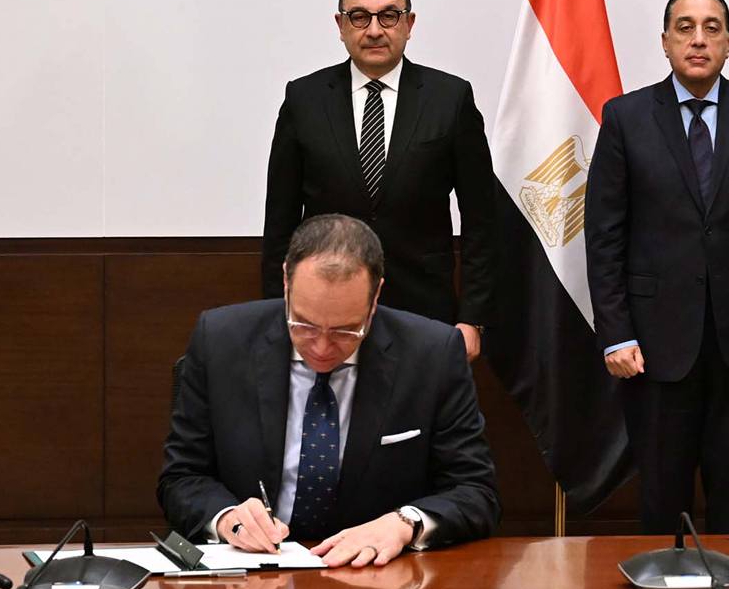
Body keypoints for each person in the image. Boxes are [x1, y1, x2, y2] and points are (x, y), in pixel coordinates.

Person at [584, 0, 729, 534]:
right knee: (663, 496)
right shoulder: (626, 117)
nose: (699, 39)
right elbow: (604, 236)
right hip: (654, 344)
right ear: (665, 42)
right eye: (685, 27)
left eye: (712, 28)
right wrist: (616, 333)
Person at [159, 213, 500, 566]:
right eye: (304, 325)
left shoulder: (433, 354)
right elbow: (182, 477)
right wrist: (227, 518)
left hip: (377, 571)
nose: (321, 348)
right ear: (286, 282)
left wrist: (403, 523)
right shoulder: (220, 340)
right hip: (253, 571)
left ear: (375, 297)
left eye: (345, 331)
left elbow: (476, 491)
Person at [262, 0, 498, 362]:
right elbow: (279, 223)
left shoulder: (450, 98)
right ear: (341, 25)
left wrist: (473, 319)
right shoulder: (304, 99)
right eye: (359, 17)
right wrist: (279, 315)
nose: (374, 30)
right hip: (327, 315)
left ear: (409, 23)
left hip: (425, 312)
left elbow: (482, 222)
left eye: (389, 15)